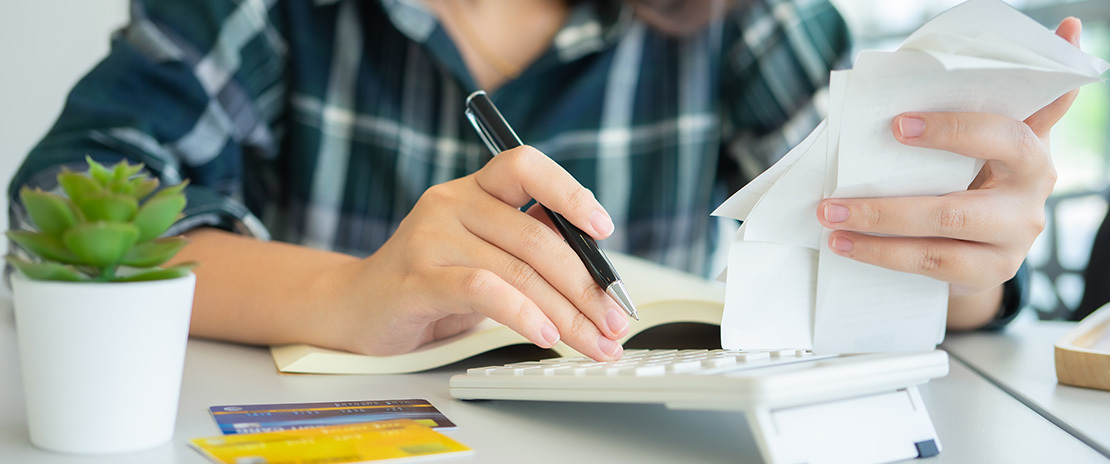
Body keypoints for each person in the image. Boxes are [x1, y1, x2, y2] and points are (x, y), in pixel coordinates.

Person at [8, 0, 1081, 361]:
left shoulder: (742, 20)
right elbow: (57, 213)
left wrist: (961, 255)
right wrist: (347, 297)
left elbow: (920, 277)